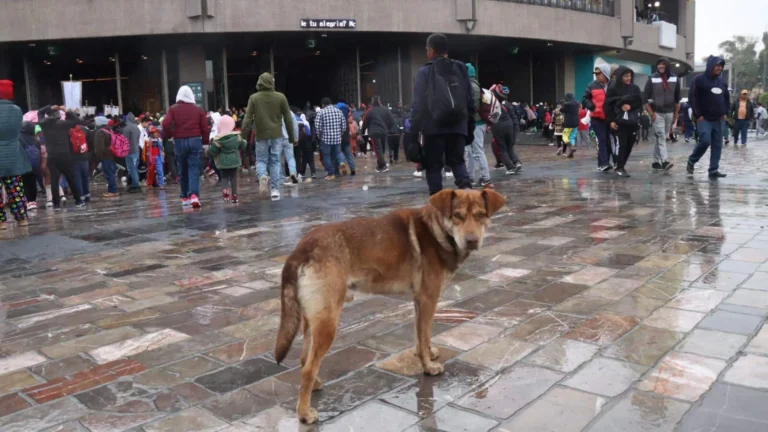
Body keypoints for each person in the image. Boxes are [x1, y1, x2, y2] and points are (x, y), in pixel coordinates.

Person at [410, 33, 473, 194]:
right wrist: (469, 128)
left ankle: (438, 207)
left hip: (433, 128)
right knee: (458, 163)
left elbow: (418, 106)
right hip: (458, 125)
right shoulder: (460, 68)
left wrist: (413, 134)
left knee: (434, 166)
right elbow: (469, 100)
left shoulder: (424, 72)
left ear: (431, 50)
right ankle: (468, 199)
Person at [240, 72, 295, 200]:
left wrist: (243, 136)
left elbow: (247, 119)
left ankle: (262, 176)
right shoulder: (281, 97)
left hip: (261, 135)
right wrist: (292, 137)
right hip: (276, 134)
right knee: (275, 161)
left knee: (261, 160)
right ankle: (275, 190)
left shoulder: (254, 98)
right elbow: (288, 119)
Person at [162, 85, 210, 208]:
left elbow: (165, 124)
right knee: (193, 168)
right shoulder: (198, 109)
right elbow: (205, 128)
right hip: (195, 140)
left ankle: (184, 197)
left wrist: (169, 135)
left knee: (182, 169)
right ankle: (194, 195)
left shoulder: (173, 109)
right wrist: (205, 143)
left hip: (179, 141)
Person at [687, 56, 729, 178]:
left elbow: (726, 98)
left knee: (717, 144)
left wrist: (725, 112)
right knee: (705, 141)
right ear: (711, 66)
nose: (719, 68)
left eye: (721, 66)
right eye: (717, 65)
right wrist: (698, 115)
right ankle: (692, 160)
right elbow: (693, 97)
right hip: (704, 118)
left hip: (719, 118)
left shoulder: (722, 81)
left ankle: (713, 170)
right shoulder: (699, 80)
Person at [37, 105, 86, 210]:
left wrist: (49, 107)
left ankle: (56, 205)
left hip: (52, 156)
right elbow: (76, 120)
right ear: (59, 116)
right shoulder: (64, 124)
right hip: (65, 155)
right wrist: (66, 110)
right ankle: (78, 200)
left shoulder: (44, 124)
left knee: (54, 180)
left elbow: (40, 112)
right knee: (71, 178)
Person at [0, 80, 31, 229]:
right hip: (13, 155)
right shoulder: (17, 110)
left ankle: (1, 222)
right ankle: (22, 218)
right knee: (16, 189)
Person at [605, 66, 643, 177]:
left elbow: (639, 102)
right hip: (618, 121)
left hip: (632, 121)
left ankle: (621, 164)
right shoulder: (613, 89)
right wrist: (611, 121)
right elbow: (607, 106)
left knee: (629, 143)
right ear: (620, 76)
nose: (628, 78)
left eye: (630, 76)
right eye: (626, 76)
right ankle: (619, 166)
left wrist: (630, 106)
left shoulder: (635, 88)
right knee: (621, 144)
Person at [643, 58, 680, 171]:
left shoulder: (674, 78)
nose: (661, 66)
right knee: (662, 137)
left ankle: (655, 161)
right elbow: (644, 98)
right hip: (657, 113)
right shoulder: (652, 78)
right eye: (659, 64)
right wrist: (651, 113)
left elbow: (677, 99)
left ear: (667, 65)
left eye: (663, 64)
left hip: (669, 112)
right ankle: (664, 161)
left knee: (661, 137)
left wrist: (675, 115)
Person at [582, 63, 614, 172]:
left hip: (610, 118)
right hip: (597, 118)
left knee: (608, 141)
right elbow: (584, 99)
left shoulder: (613, 85)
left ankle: (602, 164)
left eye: (599, 73)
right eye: (595, 74)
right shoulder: (592, 85)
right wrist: (591, 106)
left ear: (605, 73)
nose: (597, 75)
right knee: (602, 140)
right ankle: (604, 163)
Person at [207, 115, 246, 203]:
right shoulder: (237, 137)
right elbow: (243, 145)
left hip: (222, 162)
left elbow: (212, 151)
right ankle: (234, 195)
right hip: (234, 161)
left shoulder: (217, 140)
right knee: (233, 177)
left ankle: (225, 191)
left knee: (224, 177)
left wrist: (207, 153)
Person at [465, 63, 491, 187]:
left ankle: (485, 178)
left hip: (476, 123)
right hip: (476, 123)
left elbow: (472, 107)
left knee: (476, 151)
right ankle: (470, 177)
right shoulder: (475, 85)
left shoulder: (471, 87)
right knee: (470, 151)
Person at [489, 84, 522, 175]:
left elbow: (491, 117)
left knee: (502, 148)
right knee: (510, 146)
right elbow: (514, 117)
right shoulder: (507, 104)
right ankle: (517, 162)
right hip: (509, 125)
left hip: (498, 126)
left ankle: (510, 167)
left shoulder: (493, 104)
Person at [315, 97, 348, 181]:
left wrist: (320, 136)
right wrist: (340, 134)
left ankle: (331, 173)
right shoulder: (339, 111)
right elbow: (344, 126)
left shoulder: (321, 112)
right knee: (338, 152)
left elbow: (317, 127)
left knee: (327, 156)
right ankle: (342, 162)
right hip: (337, 138)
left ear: (323, 105)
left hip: (326, 139)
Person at [361, 95, 396, 173]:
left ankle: (383, 165)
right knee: (382, 149)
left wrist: (362, 132)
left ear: (372, 102)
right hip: (384, 132)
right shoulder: (386, 110)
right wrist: (388, 129)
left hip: (374, 132)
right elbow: (392, 121)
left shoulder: (370, 111)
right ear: (380, 101)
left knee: (378, 149)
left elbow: (365, 122)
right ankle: (380, 165)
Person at [93, 116, 119, 197]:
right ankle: (113, 190)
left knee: (109, 173)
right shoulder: (109, 130)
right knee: (111, 172)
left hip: (105, 156)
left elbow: (99, 147)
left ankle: (112, 191)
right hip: (112, 154)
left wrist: (98, 158)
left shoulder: (100, 132)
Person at [18, 122, 41, 210]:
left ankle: (28, 201)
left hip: (24, 164)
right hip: (35, 165)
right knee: (33, 183)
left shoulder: (19, 138)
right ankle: (33, 201)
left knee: (25, 183)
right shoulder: (36, 139)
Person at [122, 113, 142, 193]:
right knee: (135, 168)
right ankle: (133, 183)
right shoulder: (137, 128)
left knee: (132, 169)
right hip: (136, 150)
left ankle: (136, 185)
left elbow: (124, 140)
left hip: (129, 151)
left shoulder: (126, 128)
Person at [295, 107, 315, 179]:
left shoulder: (300, 123)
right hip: (309, 143)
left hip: (303, 143)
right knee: (311, 160)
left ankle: (302, 172)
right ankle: (313, 173)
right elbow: (310, 133)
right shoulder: (307, 123)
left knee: (304, 159)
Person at [560, 93, 580, 157]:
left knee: (564, 136)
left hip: (568, 123)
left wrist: (562, 105)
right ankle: (571, 153)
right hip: (576, 123)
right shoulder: (577, 103)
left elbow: (561, 110)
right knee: (572, 137)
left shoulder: (567, 104)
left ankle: (571, 147)